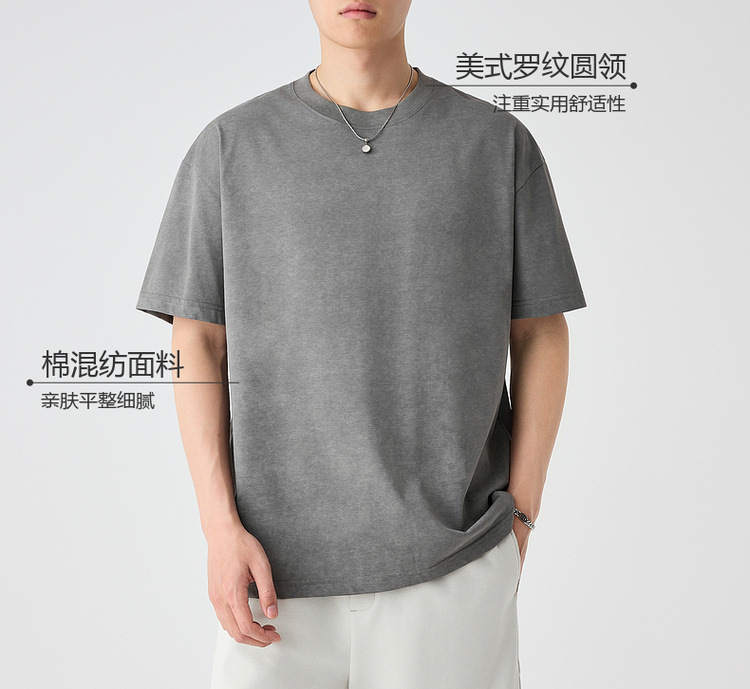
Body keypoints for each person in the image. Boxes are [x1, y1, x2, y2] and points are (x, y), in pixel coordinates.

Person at [135, 1, 586, 687]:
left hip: (452, 565)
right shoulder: (230, 147)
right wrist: (218, 528)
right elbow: (195, 338)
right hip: (271, 578)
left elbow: (541, 331)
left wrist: (521, 514)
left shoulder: (496, 144)